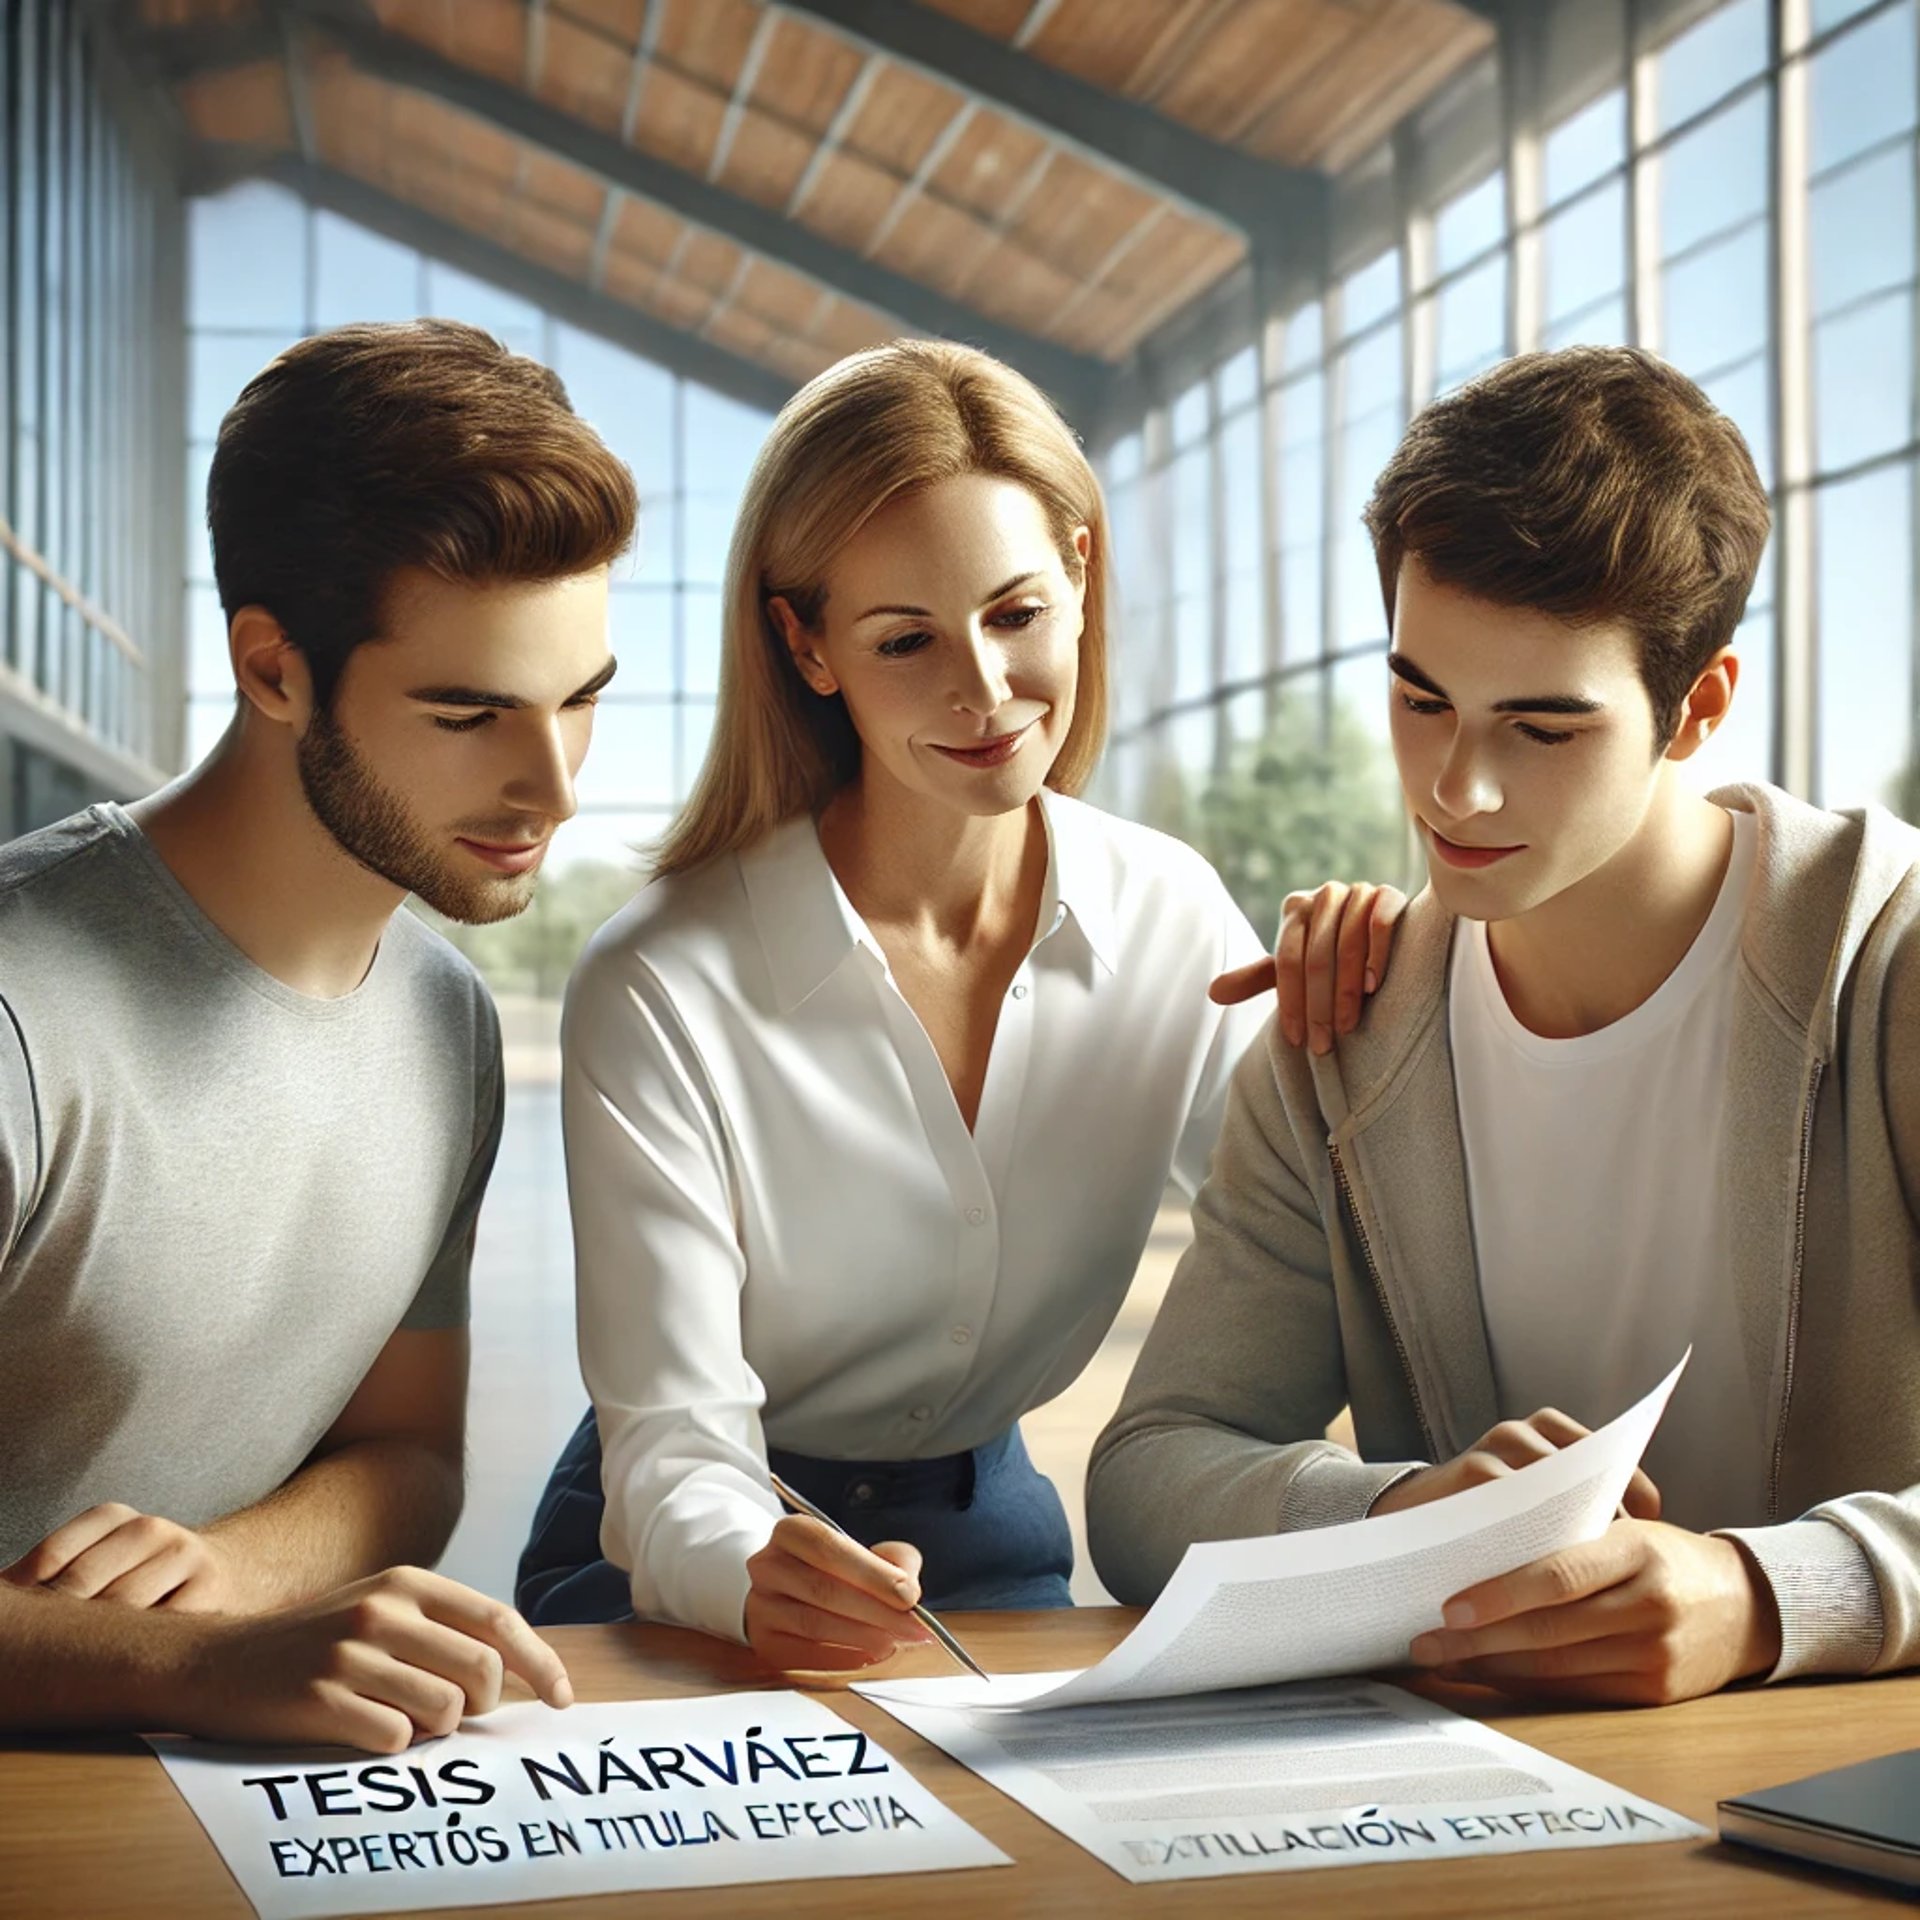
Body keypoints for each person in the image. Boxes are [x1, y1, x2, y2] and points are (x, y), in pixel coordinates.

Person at [515, 339, 1400, 1668]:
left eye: (1016, 613)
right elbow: (672, 1446)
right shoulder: (660, 985)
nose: (982, 690)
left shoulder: (1168, 912)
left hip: (996, 1533)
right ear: (805, 644)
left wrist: (1408, 995)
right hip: (682, 1556)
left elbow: (1339, 1237)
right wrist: (750, 1568)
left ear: (1084, 580)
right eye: (904, 639)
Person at [1088, 344, 1920, 1707]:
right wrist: (1399, 1516)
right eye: (1422, 700)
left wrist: (1769, 1596)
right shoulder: (1345, 1025)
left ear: (1697, 706)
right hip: (1494, 1806)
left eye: (1543, 728)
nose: (1458, 788)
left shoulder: (1889, 974)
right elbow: (1145, 1478)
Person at [0, 319, 634, 1750]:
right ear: (274, 666)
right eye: (469, 714)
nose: (551, 787)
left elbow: (406, 1456)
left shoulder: (441, 1018)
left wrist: (230, 1579)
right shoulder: (19, 1019)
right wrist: (185, 1666)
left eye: (579, 703)